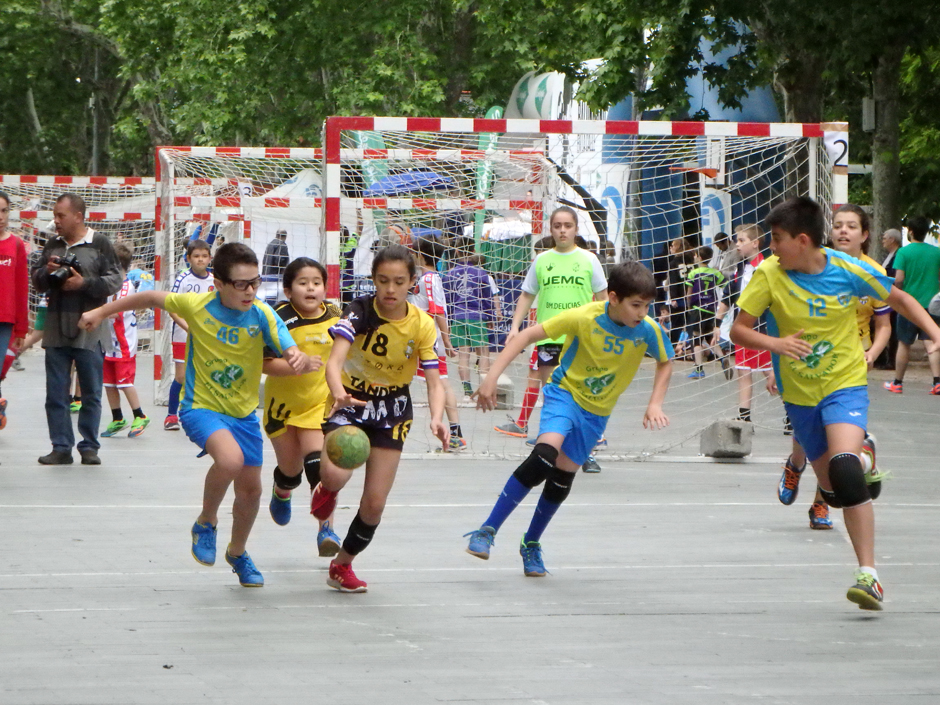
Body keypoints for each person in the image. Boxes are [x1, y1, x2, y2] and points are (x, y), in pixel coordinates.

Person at [731, 196, 940, 610]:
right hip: (799, 394)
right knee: (835, 491)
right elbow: (739, 330)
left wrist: (935, 331)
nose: (771, 246)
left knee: (843, 469)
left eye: (776, 239)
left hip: (844, 383)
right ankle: (865, 458)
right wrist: (775, 343)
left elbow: (899, 301)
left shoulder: (849, 269)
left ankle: (869, 575)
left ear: (803, 240)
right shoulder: (768, 274)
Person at [79, 243, 311, 587]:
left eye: (255, 282)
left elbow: (286, 344)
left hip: (243, 414)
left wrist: (297, 358)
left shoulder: (262, 313)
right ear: (218, 284)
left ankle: (237, 552)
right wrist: (101, 311)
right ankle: (206, 521)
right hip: (200, 407)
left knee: (251, 492)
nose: (250, 291)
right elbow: (148, 299)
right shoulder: (196, 305)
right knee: (230, 461)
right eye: (241, 284)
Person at [465, 261, 673, 576]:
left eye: (647, 305)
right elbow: (525, 337)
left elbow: (665, 362)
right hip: (565, 394)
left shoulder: (648, 330)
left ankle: (531, 543)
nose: (642, 312)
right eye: (636, 305)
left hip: (597, 412)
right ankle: (488, 529)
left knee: (562, 478)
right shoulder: (584, 316)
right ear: (613, 298)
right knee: (544, 455)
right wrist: (491, 377)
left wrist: (655, 403)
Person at [309, 244, 448, 593]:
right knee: (337, 472)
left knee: (374, 504)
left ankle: (342, 564)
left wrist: (437, 417)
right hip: (351, 400)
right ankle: (326, 486)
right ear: (373, 280)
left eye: (399, 281)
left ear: (411, 282)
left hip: (392, 410)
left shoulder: (422, 324)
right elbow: (334, 361)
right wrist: (338, 393)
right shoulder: (359, 312)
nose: (390, 289)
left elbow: (435, 381)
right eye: (383, 280)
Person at [776, 204, 891, 530]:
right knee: (805, 433)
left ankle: (821, 502)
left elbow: (885, 325)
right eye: (838, 225)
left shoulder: (870, 273)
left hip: (850, 364)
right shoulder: (809, 263)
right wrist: (774, 364)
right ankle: (795, 463)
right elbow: (780, 320)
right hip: (806, 360)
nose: (843, 231)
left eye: (851, 226)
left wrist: (873, 353)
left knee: (837, 445)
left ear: (865, 234)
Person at [494, 206, 608, 473]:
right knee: (553, 396)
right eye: (557, 225)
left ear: (576, 229)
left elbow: (603, 298)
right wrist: (515, 327)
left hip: (580, 340)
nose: (562, 230)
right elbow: (526, 295)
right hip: (548, 338)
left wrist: (606, 330)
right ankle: (548, 453)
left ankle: (585, 453)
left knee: (583, 397)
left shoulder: (589, 260)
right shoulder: (542, 261)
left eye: (567, 225)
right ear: (551, 229)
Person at [31, 193, 122, 465]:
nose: (56, 221)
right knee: (55, 393)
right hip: (56, 329)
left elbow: (116, 280)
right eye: (55, 216)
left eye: (61, 216)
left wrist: (84, 283)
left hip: (90, 331)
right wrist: (47, 273)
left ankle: (89, 446)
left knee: (91, 393)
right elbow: (36, 281)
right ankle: (61, 447)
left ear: (78, 217)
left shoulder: (100, 243)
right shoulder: (53, 245)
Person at [262, 257, 344, 556]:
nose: (311, 288)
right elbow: (264, 363)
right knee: (290, 471)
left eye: (317, 282)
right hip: (282, 407)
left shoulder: (337, 313)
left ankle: (326, 529)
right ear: (288, 290)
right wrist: (300, 366)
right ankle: (281, 490)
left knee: (318, 468)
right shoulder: (276, 318)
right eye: (303, 283)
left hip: (319, 405)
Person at [409, 238, 466, 451]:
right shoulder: (423, 279)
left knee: (441, 383)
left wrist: (446, 339)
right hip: (420, 339)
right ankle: (452, 431)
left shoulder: (430, 280)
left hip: (430, 340)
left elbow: (438, 310)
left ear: (420, 256)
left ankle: (454, 433)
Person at [883, 216, 940, 395]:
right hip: (931, 305)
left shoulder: (904, 252)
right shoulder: (936, 252)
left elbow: (899, 279)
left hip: (909, 305)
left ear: (911, 231)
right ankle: (937, 382)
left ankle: (898, 382)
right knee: (931, 343)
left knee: (904, 343)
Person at [100, 243, 150, 438]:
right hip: (109, 342)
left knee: (124, 382)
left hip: (124, 343)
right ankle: (117, 418)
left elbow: (114, 313)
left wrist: (93, 314)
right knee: (109, 383)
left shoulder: (126, 287)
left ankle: (140, 415)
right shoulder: (109, 285)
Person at [442, 238, 501, 400]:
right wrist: (490, 316)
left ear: (457, 252)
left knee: (464, 355)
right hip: (477, 316)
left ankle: (467, 392)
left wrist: (449, 321)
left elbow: (448, 300)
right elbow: (487, 298)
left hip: (459, 316)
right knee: (483, 353)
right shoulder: (481, 273)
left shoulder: (450, 274)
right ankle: (484, 389)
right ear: (473, 252)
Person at [727, 223, 774, 422]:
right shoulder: (740, 268)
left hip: (760, 329)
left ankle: (792, 414)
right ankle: (744, 417)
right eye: (737, 240)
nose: (737, 245)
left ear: (755, 243)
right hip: (742, 328)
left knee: (770, 371)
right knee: (743, 371)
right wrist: (716, 323)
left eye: (741, 240)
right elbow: (729, 295)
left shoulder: (766, 268)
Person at [165, 239, 213, 431]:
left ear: (210, 258)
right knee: (181, 376)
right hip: (183, 336)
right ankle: (170, 416)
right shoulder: (183, 279)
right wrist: (187, 327)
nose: (200, 260)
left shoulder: (214, 281)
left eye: (204, 256)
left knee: (205, 375)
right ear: (188, 259)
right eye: (196, 256)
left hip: (207, 336)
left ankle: (201, 414)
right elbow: (171, 308)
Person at [0, 190, 30, 429]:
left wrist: (22, 328)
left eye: (4, 211)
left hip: (5, 321)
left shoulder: (16, 244)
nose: (0, 216)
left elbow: (22, 287)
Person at [684, 245, 726, 378]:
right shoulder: (715, 273)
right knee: (708, 336)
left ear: (700, 258)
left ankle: (699, 369)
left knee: (696, 338)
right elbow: (726, 286)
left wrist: (688, 306)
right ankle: (722, 357)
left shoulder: (693, 273)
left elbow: (689, 294)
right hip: (711, 309)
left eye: (695, 255)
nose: (694, 257)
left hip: (697, 309)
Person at [874, 228, 903, 369]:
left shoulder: (898, 255)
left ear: (892, 239)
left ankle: (891, 360)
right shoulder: (890, 255)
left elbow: (896, 277)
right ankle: (885, 358)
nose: (883, 240)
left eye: (884, 237)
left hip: (893, 295)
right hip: (885, 295)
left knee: (893, 328)